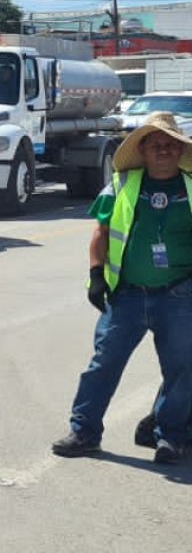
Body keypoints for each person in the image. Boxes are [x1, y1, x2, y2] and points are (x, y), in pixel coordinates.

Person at [50, 111, 192, 464]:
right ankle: (84, 432)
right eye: (155, 144)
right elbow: (100, 232)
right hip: (127, 294)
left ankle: (171, 437)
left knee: (183, 368)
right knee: (103, 365)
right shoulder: (122, 183)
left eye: (169, 145)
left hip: (180, 294)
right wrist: (97, 274)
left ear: (180, 150)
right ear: (142, 150)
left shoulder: (190, 185)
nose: (162, 150)